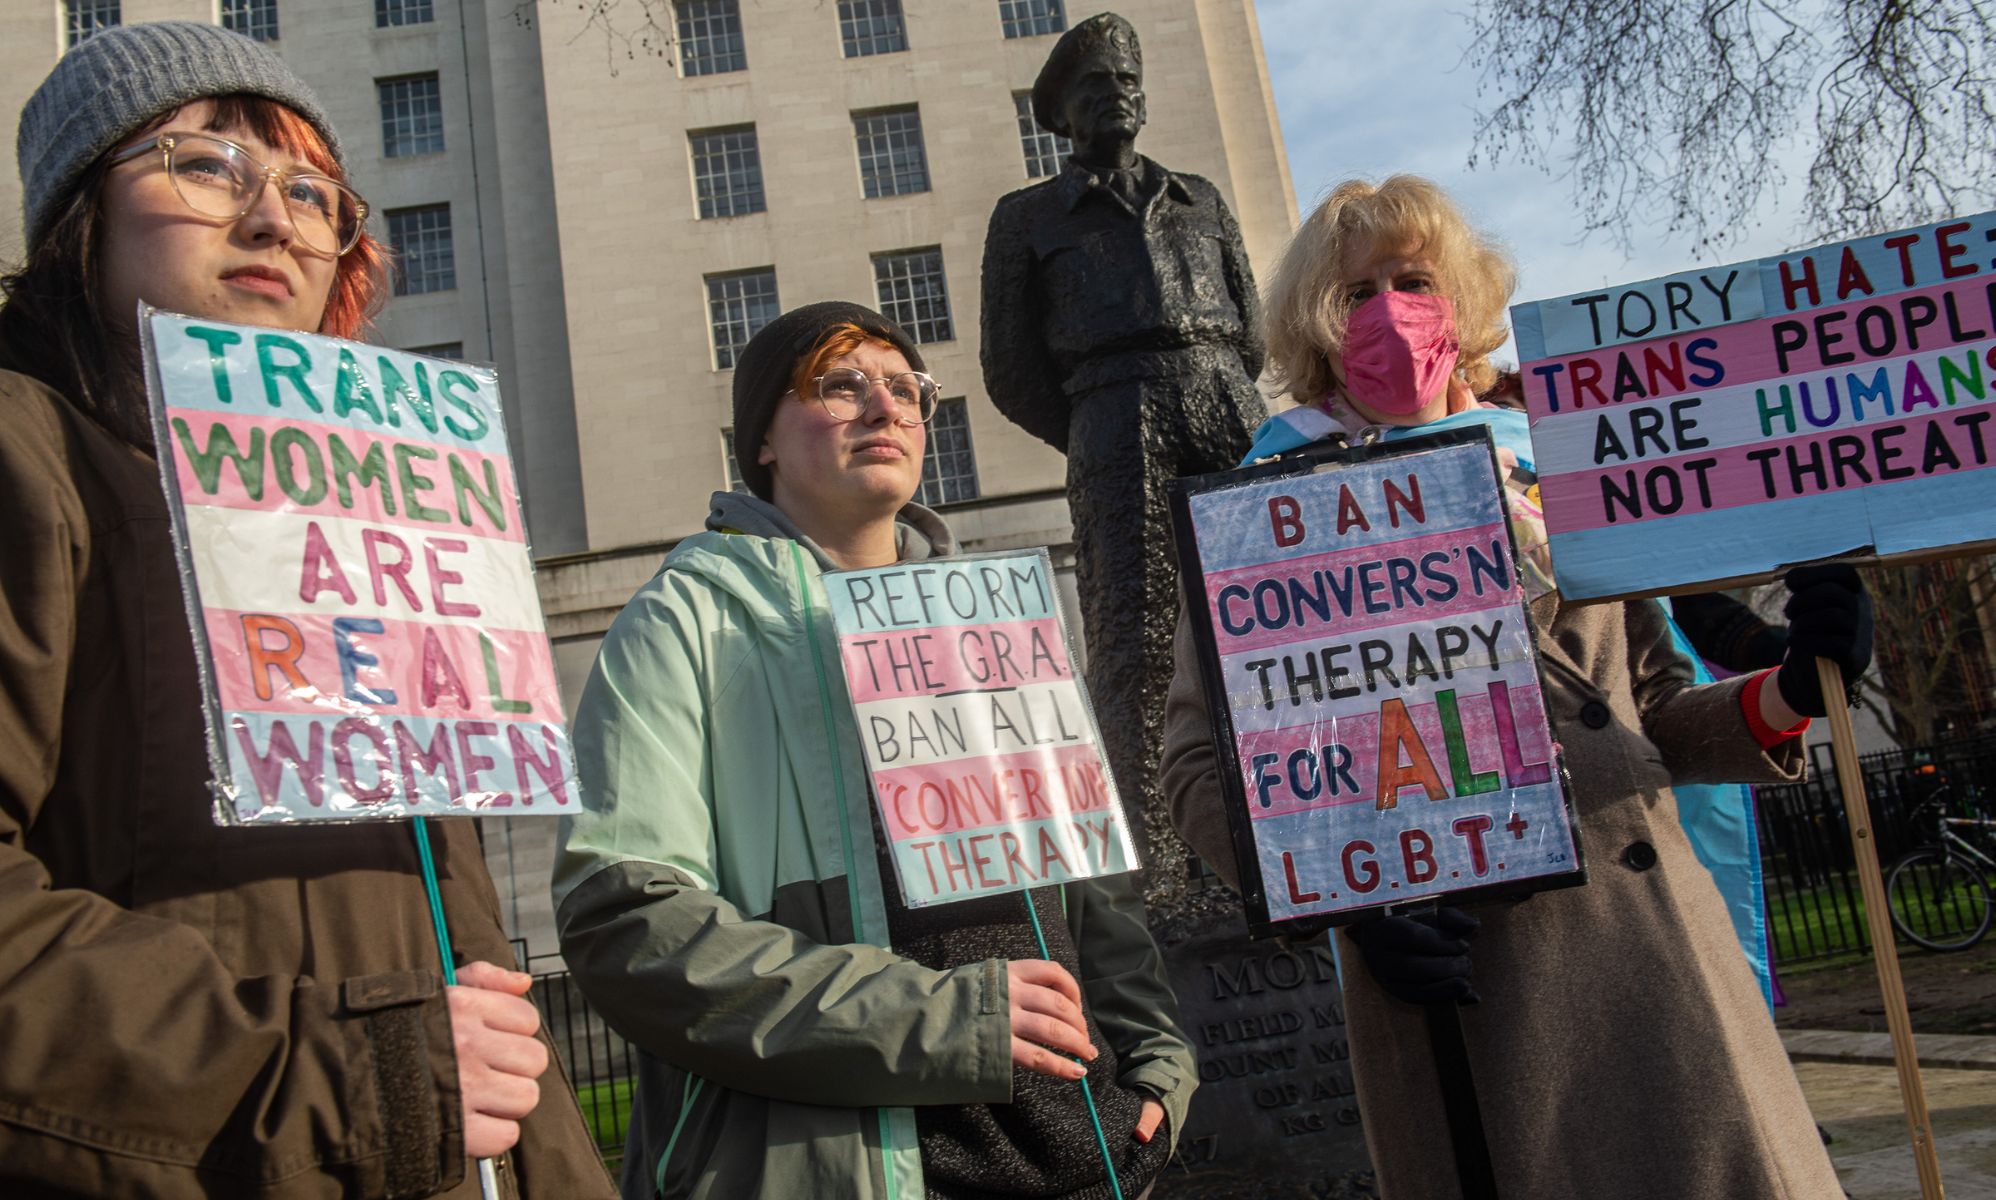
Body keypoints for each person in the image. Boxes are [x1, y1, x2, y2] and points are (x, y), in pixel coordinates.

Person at [1161, 176, 1869, 1198]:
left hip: (1648, 941)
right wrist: (1350, 904)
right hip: (1455, 977)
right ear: (1318, 321)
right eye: (1359, 292)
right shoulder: (1260, 503)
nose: (1393, 311)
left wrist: (1796, 687)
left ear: (1463, 298)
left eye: (1415, 280)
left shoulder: (1564, 468)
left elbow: (1656, 711)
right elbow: (1195, 768)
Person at [0, 23, 610, 1197]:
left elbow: (467, 972)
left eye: (312, 190)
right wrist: (335, 1073)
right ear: (82, 210)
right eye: (203, 165)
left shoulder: (381, 530)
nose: (275, 219)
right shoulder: (30, 451)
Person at [554, 301, 1195, 1200]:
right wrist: (942, 1020)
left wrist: (1158, 1069)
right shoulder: (687, 618)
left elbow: (1096, 896)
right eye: (841, 385)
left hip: (1082, 1161)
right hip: (856, 1170)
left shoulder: (990, 621)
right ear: (763, 441)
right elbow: (624, 920)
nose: (885, 408)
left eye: (905, 389)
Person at [980, 12, 1266, 863]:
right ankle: (1170, 869)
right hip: (1112, 408)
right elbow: (1011, 369)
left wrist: (1217, 384)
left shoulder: (1201, 198)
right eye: (1097, 88)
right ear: (1063, 115)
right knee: (1136, 634)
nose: (1118, 99)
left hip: (1224, 388)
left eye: (1127, 85)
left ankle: (1295, 815)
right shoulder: (1027, 216)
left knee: (1272, 597)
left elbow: (1251, 328)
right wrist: (1093, 431)